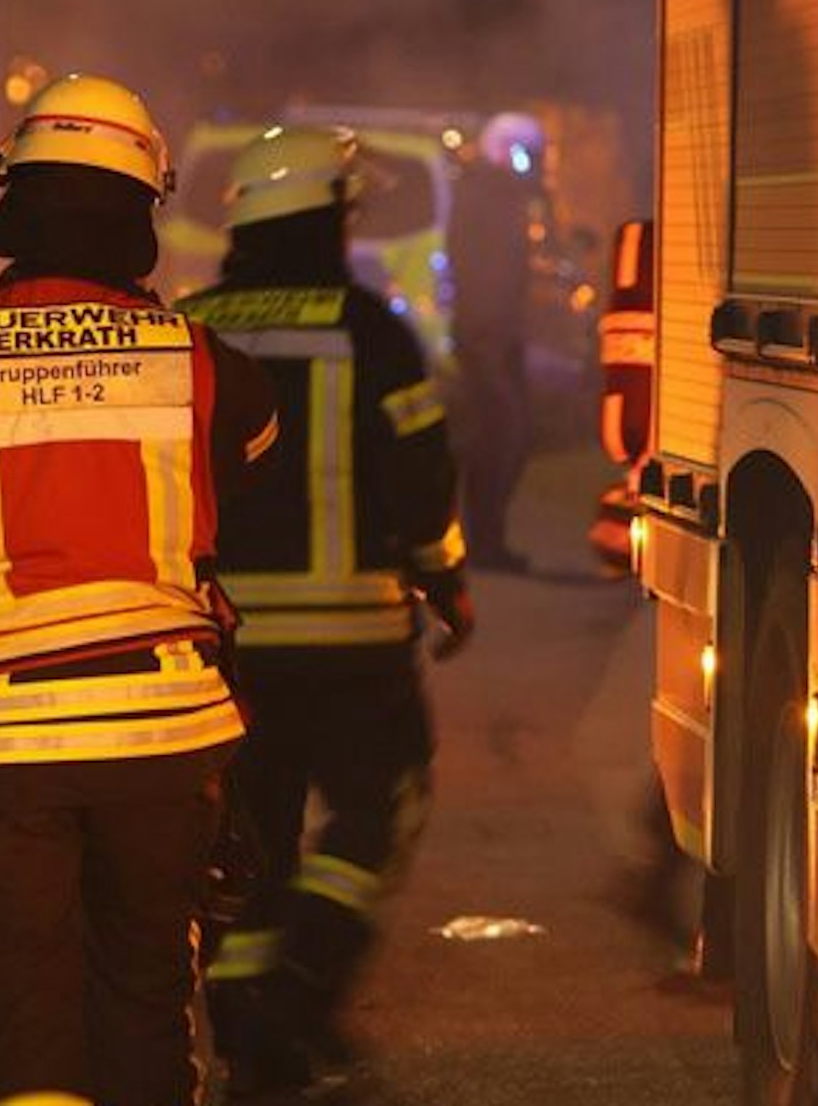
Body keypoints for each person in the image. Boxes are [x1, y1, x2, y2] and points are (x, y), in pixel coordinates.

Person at [0, 73, 279, 1106]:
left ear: (14, 197)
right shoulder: (197, 360)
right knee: (144, 1000)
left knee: (26, 1013)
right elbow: (254, 465)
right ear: (143, 209)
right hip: (164, 737)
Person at [177, 123, 475, 1099]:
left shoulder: (190, 329)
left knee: (245, 840)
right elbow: (420, 476)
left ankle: (244, 1023)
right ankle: (297, 989)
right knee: (377, 810)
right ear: (322, 220)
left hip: (222, 646)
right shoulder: (373, 329)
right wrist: (443, 579)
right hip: (351, 642)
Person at [443, 109, 546, 573]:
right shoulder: (484, 195)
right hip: (486, 334)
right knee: (500, 435)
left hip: (496, 333)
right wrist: (491, 331)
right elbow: (483, 270)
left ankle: (486, 540)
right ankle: (483, 542)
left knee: (504, 436)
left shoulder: (497, 194)